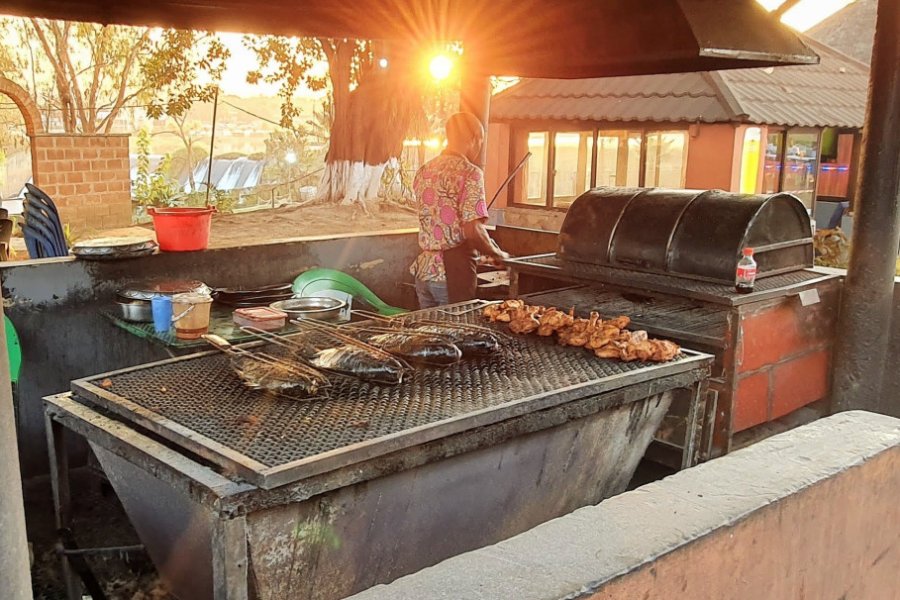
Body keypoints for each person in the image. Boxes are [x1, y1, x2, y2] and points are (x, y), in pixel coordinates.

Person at [410, 112, 509, 308]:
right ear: (474, 139)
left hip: (425, 272)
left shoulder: (424, 171)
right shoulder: (469, 172)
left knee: (430, 335)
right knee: (456, 335)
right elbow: (472, 229)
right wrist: (498, 254)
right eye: (480, 141)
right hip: (451, 274)